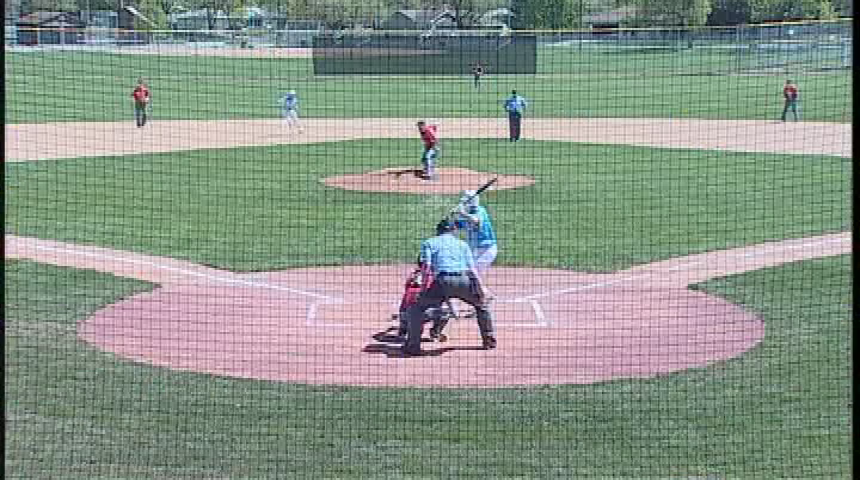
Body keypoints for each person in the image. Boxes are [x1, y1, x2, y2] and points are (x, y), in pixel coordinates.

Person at [400, 219, 497, 356]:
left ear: (438, 231)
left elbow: (426, 268)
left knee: (415, 309)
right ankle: (489, 340)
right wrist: (480, 290)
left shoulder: (429, 243)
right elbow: (473, 271)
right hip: (464, 280)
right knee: (482, 306)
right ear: (453, 231)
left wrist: (423, 291)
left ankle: (413, 346)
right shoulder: (462, 244)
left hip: (442, 282)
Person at [454, 190, 498, 275]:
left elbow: (476, 221)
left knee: (473, 274)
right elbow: (456, 226)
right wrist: (452, 216)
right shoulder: (468, 214)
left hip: (487, 249)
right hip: (475, 250)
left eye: (465, 202)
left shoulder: (481, 211)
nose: (463, 204)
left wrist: (462, 213)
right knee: (465, 270)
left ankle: (480, 288)